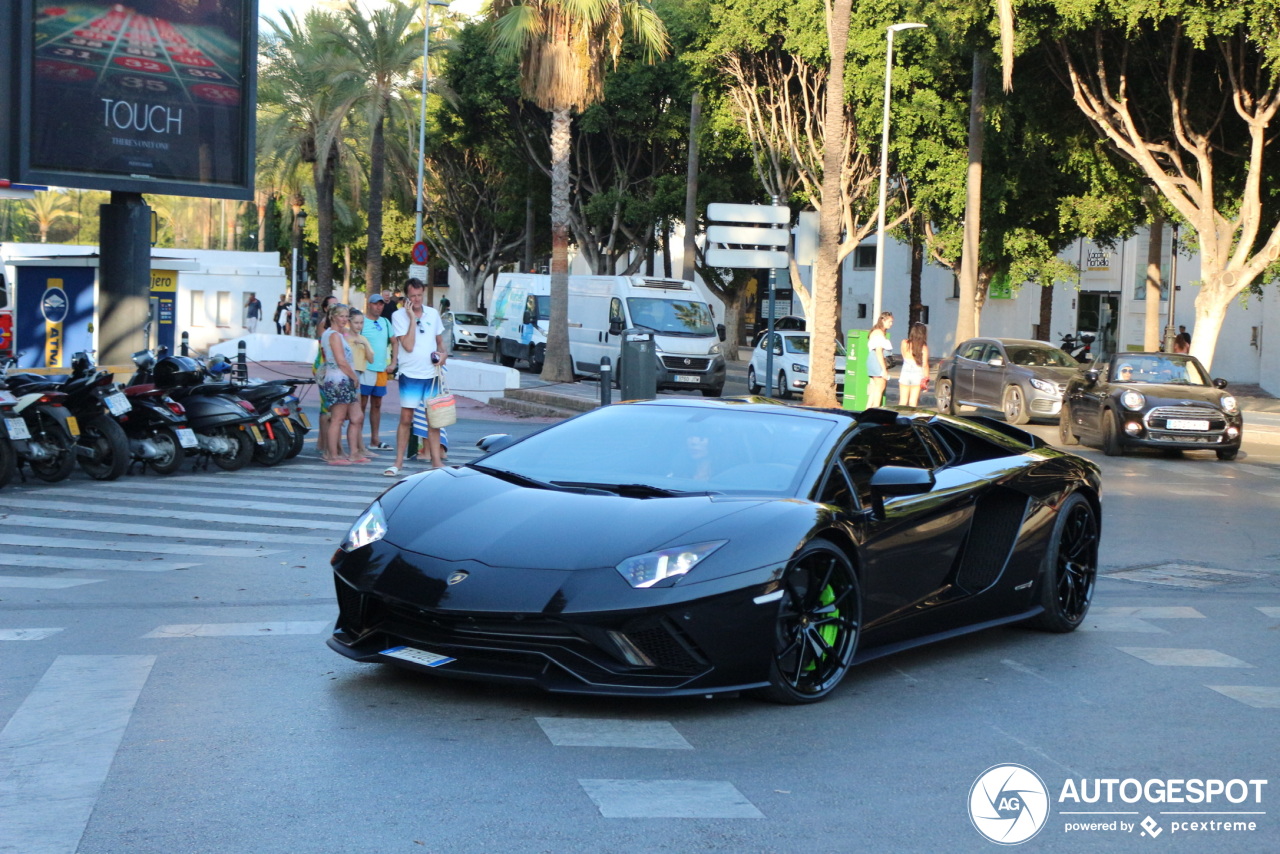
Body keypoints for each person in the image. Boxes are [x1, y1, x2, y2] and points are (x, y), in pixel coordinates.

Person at [385, 278, 447, 477]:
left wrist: (443, 356)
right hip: (410, 374)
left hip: (431, 374)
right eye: (413, 296)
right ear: (406, 297)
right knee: (406, 418)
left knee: (434, 420)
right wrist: (412, 318)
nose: (417, 299)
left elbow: (439, 341)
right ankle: (398, 462)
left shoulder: (433, 313)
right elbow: (409, 346)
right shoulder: (398, 316)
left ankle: (436, 462)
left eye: (419, 295)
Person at [318, 304, 367, 465]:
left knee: (356, 416)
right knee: (337, 419)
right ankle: (333, 455)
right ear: (333, 317)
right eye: (341, 316)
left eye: (346, 316)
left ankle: (354, 452)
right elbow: (341, 361)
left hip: (344, 380)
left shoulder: (336, 334)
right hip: (339, 380)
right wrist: (354, 377)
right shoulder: (333, 335)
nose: (345, 319)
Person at [360, 293, 397, 451]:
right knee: (361, 405)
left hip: (381, 369)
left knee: (377, 404)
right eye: (376, 304)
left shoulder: (386, 322)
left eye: (381, 304)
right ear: (369, 304)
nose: (379, 307)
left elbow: (395, 342)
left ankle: (375, 440)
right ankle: (358, 440)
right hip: (365, 369)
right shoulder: (361, 322)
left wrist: (394, 362)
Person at [345, 308, 376, 460]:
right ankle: (351, 450)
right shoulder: (344, 338)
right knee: (346, 416)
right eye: (356, 322)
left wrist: (363, 344)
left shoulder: (363, 339)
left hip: (358, 376)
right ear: (349, 322)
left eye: (361, 323)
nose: (359, 326)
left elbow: (371, 359)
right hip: (347, 376)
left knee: (357, 416)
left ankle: (359, 448)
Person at [897, 322, 929, 407]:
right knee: (913, 402)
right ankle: (910, 419)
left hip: (905, 371)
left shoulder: (904, 343)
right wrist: (926, 380)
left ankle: (898, 418)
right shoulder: (923, 347)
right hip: (917, 372)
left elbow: (904, 356)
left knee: (903, 401)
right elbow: (925, 364)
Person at [866, 311, 894, 406]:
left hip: (874, 361)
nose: (891, 324)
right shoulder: (878, 333)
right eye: (889, 321)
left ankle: (868, 410)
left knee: (875, 388)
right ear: (883, 320)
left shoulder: (878, 332)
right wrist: (884, 369)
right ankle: (875, 411)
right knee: (880, 388)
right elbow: (879, 352)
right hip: (877, 361)